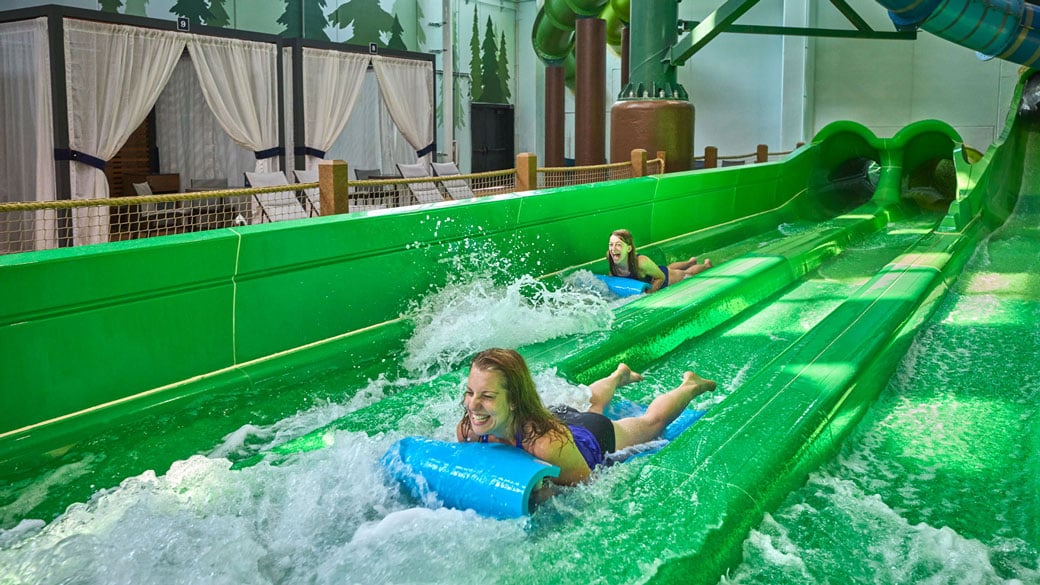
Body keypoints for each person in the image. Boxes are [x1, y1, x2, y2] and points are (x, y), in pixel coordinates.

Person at [456, 348, 716, 493]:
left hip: (588, 437)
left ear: (514, 400)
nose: (473, 405)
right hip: (553, 417)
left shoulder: (548, 446)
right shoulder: (469, 429)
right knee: (591, 402)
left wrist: (547, 493)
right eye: (470, 392)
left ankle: (690, 385)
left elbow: (588, 486)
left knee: (652, 423)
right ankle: (618, 376)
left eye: (487, 396)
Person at [606, 228, 712, 293]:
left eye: (618, 245)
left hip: (663, 278)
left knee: (686, 274)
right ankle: (690, 262)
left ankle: (706, 265)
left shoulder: (641, 262)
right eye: (611, 245)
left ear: (629, 248)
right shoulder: (610, 257)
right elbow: (613, 275)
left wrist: (649, 294)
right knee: (669, 267)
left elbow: (661, 277)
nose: (613, 249)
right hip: (651, 273)